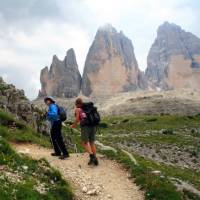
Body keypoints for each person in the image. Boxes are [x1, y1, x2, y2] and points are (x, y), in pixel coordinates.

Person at [71, 98, 99, 166]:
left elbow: (77, 119)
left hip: (85, 127)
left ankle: (92, 156)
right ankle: (95, 158)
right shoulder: (88, 108)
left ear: (76, 104)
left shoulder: (78, 109)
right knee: (92, 142)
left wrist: (73, 125)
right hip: (93, 126)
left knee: (84, 143)